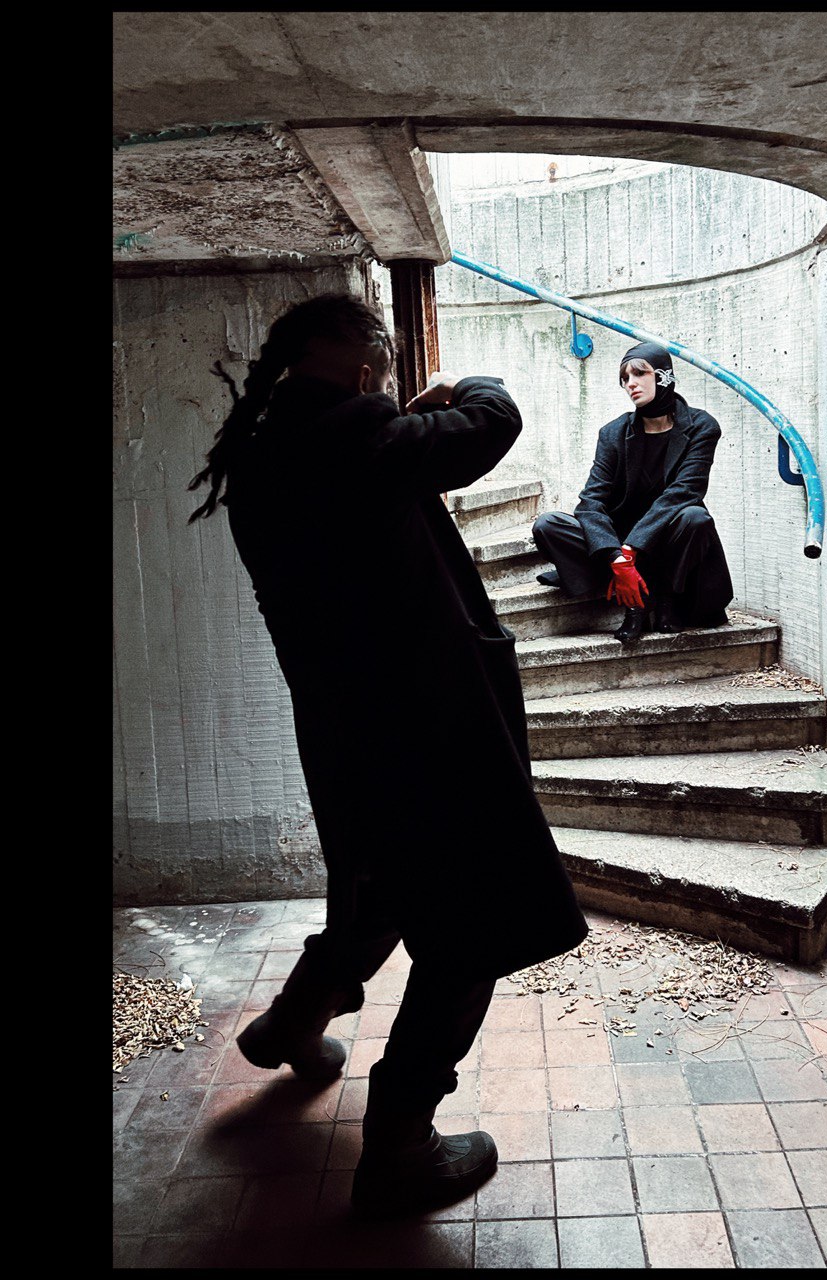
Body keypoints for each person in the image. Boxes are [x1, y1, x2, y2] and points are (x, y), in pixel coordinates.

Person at [187, 293, 588, 1217]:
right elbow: (493, 421)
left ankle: (293, 1024)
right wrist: (459, 388)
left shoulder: (266, 448)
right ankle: (400, 1141)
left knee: (378, 889)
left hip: (343, 728)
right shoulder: (357, 433)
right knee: (472, 926)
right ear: (366, 363)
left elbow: (363, 496)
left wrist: (397, 419)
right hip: (426, 732)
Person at [532, 341, 733, 644]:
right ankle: (635, 603)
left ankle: (667, 597)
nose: (631, 383)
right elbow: (591, 502)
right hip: (618, 539)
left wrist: (631, 550)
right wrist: (616, 556)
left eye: (640, 373)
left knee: (695, 518)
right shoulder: (613, 433)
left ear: (664, 375)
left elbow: (683, 492)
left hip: (669, 536)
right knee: (548, 525)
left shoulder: (701, 426)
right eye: (625, 378)